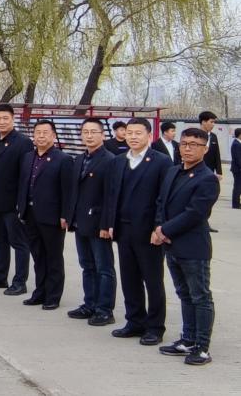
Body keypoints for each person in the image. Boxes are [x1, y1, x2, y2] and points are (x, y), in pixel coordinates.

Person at [101, 117, 173, 346]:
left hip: (149, 231)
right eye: (129, 132)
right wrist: (109, 223)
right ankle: (134, 321)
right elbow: (112, 194)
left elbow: (164, 198)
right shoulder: (118, 161)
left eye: (138, 133)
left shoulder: (161, 162)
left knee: (153, 281)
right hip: (124, 229)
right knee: (129, 278)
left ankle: (155, 327)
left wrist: (158, 227)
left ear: (149, 135)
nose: (132, 137)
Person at [153, 127, 220, 366]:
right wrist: (159, 227)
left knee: (200, 296)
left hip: (193, 247)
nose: (188, 148)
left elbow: (195, 213)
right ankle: (188, 339)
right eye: (184, 144)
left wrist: (165, 231)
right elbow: (161, 202)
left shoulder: (207, 178)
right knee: (184, 294)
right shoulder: (173, 171)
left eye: (194, 144)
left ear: (205, 149)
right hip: (171, 245)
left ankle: (202, 347)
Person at [66, 118, 118, 326]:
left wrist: (106, 224)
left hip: (98, 223)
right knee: (87, 266)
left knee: (104, 268)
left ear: (103, 135)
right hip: (80, 222)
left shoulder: (110, 160)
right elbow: (74, 191)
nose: (89, 136)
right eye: (85, 132)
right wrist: (69, 217)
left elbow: (111, 196)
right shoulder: (79, 159)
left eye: (93, 132)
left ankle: (105, 310)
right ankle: (90, 304)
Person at [16, 120, 73, 310]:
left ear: (54, 136)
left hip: (52, 216)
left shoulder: (63, 159)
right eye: (37, 132)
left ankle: (53, 296)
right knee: (38, 256)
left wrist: (65, 215)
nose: (41, 136)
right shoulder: (27, 157)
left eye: (45, 132)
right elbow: (23, 184)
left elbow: (68, 191)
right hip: (30, 214)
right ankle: (39, 292)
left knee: (53, 257)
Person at [0, 104, 33, 296]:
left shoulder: (23, 142)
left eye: (5, 118)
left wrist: (22, 203)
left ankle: (20, 282)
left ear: (13, 119)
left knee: (19, 243)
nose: (1, 122)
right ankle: (0, 276)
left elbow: (26, 175)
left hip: (13, 203)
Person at [198, 111, 223, 180]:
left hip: (210, 170)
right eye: (211, 122)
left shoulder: (213, 136)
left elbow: (217, 154)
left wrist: (219, 172)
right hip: (197, 170)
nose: (213, 124)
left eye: (214, 122)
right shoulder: (194, 135)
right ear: (203, 122)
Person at [231, 128, 241, 209]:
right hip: (238, 169)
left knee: (238, 186)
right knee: (237, 186)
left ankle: (237, 203)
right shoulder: (236, 144)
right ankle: (236, 204)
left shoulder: (238, 143)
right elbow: (238, 158)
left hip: (238, 168)